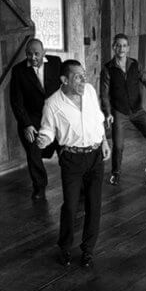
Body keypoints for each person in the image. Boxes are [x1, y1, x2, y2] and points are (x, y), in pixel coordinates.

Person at [36, 60, 110, 269]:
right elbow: (48, 130)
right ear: (64, 80)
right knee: (70, 205)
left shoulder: (89, 91)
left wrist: (104, 141)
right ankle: (65, 247)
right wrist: (44, 138)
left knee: (94, 205)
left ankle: (88, 251)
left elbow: (98, 118)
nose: (83, 79)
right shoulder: (53, 103)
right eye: (78, 76)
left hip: (95, 155)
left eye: (84, 74)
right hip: (72, 159)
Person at [100, 33, 146, 185]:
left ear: (128, 48)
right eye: (118, 45)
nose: (121, 48)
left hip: (137, 110)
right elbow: (103, 95)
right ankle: (115, 173)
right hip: (119, 112)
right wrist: (108, 113)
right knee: (118, 146)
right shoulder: (108, 69)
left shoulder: (135, 64)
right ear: (113, 47)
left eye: (124, 45)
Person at [10, 38, 61, 201]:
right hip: (32, 118)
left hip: (55, 116)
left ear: (44, 53)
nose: (33, 57)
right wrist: (26, 125)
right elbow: (16, 102)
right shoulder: (18, 71)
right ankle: (39, 186)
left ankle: (77, 184)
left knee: (66, 147)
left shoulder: (55, 63)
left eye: (36, 54)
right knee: (33, 149)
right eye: (29, 54)